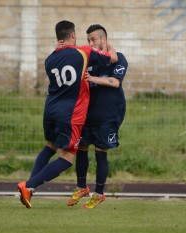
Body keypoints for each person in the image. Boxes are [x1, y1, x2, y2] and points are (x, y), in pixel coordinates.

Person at [17, 20, 118, 209]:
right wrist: (107, 44)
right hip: (71, 114)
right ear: (73, 35)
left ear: (58, 38)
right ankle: (28, 185)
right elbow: (111, 58)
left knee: (49, 147)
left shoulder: (49, 59)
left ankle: (29, 190)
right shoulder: (83, 52)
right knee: (67, 158)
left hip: (50, 109)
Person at [66, 24, 128, 209]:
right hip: (86, 113)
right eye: (88, 40)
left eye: (93, 39)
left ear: (104, 39)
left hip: (107, 115)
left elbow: (115, 82)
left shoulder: (119, 58)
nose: (91, 43)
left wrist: (92, 79)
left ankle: (99, 193)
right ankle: (81, 187)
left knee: (101, 153)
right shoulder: (90, 58)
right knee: (81, 150)